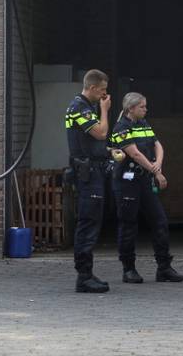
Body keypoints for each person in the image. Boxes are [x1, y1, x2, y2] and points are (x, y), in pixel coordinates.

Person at [108, 92, 183, 284]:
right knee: (128, 225)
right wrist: (154, 170)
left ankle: (164, 268)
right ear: (131, 108)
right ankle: (128, 269)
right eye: (142, 106)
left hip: (144, 181)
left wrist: (157, 166)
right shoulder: (121, 128)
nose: (145, 109)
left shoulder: (144, 124)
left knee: (160, 221)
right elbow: (134, 154)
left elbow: (158, 145)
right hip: (127, 183)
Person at [65, 69, 111, 293]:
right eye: (102, 91)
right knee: (88, 222)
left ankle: (87, 273)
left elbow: (97, 141)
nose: (104, 95)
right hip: (87, 173)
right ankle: (83, 276)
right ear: (92, 88)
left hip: (94, 170)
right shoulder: (79, 107)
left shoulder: (87, 107)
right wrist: (105, 110)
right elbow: (101, 132)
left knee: (93, 222)